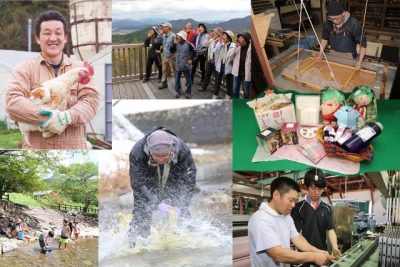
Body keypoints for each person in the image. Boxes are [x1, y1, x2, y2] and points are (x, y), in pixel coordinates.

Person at [5, 10, 99, 149]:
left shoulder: (80, 70)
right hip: (35, 150)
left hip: (73, 150)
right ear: (38, 38)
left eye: (58, 33)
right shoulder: (25, 69)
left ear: (65, 37)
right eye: (47, 33)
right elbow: (13, 101)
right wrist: (48, 117)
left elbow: (90, 102)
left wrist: (66, 117)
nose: (53, 38)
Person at [128, 126, 197, 247]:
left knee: (179, 211)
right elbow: (138, 183)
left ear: (171, 148)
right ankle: (135, 244)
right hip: (148, 179)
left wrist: (182, 205)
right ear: (149, 150)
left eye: (164, 156)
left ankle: (188, 244)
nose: (161, 159)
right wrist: (156, 204)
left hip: (174, 176)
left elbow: (189, 180)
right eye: (157, 156)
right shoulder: (137, 151)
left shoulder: (183, 150)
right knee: (142, 209)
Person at [248, 177, 332, 267]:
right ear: (276, 195)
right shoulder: (261, 219)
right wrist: (314, 257)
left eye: (295, 201)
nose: (293, 205)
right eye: (291, 200)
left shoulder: (286, 217)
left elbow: (297, 238)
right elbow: (278, 254)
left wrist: (317, 251)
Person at [291, 169, 340, 265]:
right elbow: (296, 234)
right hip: (305, 255)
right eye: (313, 188)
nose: (317, 192)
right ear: (306, 187)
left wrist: (335, 248)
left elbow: (330, 230)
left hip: (323, 253)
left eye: (320, 189)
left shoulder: (327, 208)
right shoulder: (298, 208)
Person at [317, 1, 367, 71]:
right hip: (334, 54)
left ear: (343, 13)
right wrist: (320, 54)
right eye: (331, 18)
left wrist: (359, 62)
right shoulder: (328, 23)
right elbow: (324, 39)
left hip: (349, 57)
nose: (334, 21)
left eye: (336, 18)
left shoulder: (354, 24)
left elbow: (363, 45)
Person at [212, 30, 235, 99]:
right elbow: (215, 51)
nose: (223, 37)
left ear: (229, 38)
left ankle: (228, 95)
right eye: (223, 35)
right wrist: (219, 42)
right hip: (220, 66)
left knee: (228, 82)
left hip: (228, 67)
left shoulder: (233, 46)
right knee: (217, 81)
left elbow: (233, 56)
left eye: (225, 35)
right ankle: (215, 94)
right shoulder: (221, 44)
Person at [173, 31, 195, 99]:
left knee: (188, 80)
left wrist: (191, 59)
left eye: (179, 36)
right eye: (177, 36)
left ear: (183, 37)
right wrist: (174, 44)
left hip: (186, 66)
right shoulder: (176, 43)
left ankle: (188, 92)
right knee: (177, 79)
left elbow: (194, 52)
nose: (177, 37)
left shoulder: (188, 44)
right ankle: (177, 91)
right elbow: (171, 50)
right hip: (178, 64)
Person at [199, 27, 222, 92]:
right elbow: (206, 44)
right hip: (210, 61)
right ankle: (204, 87)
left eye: (214, 32)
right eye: (213, 32)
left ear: (218, 33)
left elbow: (216, 50)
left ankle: (215, 89)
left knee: (217, 77)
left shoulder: (220, 41)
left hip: (216, 62)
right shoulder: (212, 40)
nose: (213, 33)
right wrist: (210, 37)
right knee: (207, 74)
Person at [232, 32, 252, 99]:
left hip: (245, 74)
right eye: (239, 37)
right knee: (235, 90)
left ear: (245, 39)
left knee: (246, 92)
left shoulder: (250, 49)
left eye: (241, 38)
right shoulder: (237, 47)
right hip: (237, 73)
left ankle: (245, 105)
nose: (238, 39)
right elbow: (229, 57)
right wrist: (235, 46)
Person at [158, 22, 176, 90]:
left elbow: (176, 47)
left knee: (175, 72)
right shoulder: (163, 35)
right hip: (165, 56)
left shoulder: (173, 36)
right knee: (164, 71)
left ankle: (177, 85)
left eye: (164, 27)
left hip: (171, 57)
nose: (162, 28)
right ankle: (164, 83)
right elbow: (163, 45)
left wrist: (173, 55)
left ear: (169, 28)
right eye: (163, 27)